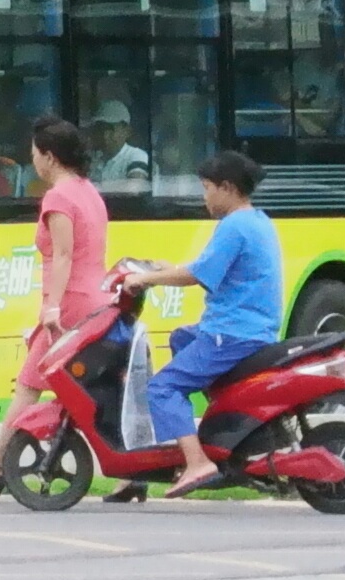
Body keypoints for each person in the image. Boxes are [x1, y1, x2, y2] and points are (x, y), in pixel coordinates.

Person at [0, 117, 113, 488]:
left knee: (28, 385)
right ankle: (127, 470)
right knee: (93, 390)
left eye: (35, 155)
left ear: (50, 157)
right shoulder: (88, 190)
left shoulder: (58, 196)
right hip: (95, 298)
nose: (34, 162)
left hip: (69, 304)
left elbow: (62, 255)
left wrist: (52, 307)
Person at [122, 149, 285, 493]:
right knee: (182, 338)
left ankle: (197, 462)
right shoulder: (258, 220)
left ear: (226, 188)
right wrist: (166, 269)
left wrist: (147, 279)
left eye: (207, 188)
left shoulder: (234, 226)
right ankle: (221, 433)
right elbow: (208, 267)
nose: (204, 196)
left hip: (232, 334)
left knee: (163, 388)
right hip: (252, 330)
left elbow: (198, 274)